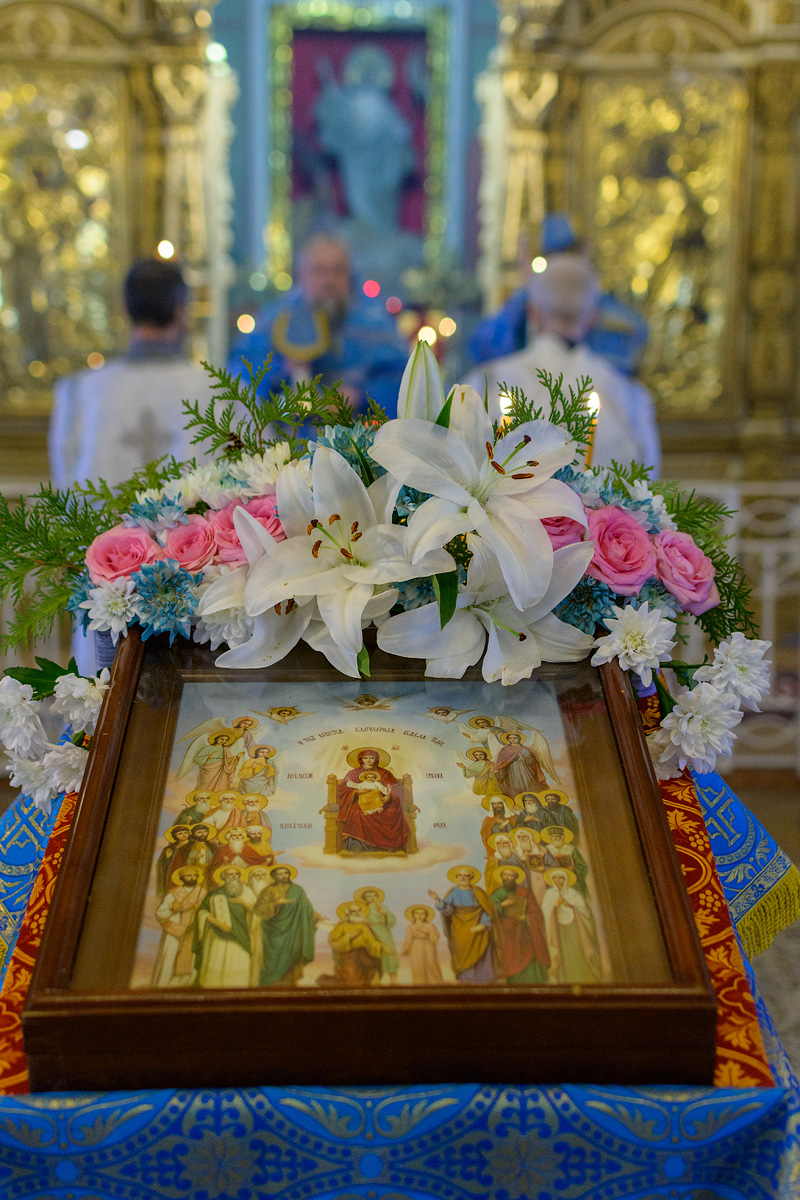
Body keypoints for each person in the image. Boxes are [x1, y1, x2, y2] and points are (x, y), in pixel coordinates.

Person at [465, 254, 660, 474]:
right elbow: (645, 483)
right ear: (593, 317)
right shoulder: (629, 397)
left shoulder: (486, 383)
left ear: (533, 313)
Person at [49, 258, 212, 491]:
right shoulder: (219, 392)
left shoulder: (79, 392)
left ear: (124, 305)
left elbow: (66, 489)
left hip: (100, 529)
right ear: (181, 308)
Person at [226, 234, 408, 417]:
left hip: (360, 433)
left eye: (338, 270)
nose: (328, 281)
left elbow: (402, 381)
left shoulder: (375, 324)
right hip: (288, 436)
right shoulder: (274, 321)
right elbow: (241, 380)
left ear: (349, 274)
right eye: (318, 271)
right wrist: (282, 370)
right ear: (301, 274)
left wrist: (362, 395)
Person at [469, 214, 650, 378]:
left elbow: (633, 344)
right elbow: (483, 347)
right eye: (550, 259)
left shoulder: (606, 308)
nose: (561, 267)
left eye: (568, 255)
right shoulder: (522, 307)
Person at [429, 865, 497, 985]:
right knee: (461, 952)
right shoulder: (453, 892)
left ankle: (482, 979)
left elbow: (486, 910)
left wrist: (484, 924)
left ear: (471, 877)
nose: (463, 878)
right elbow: (448, 910)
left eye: (466, 875)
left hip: (477, 925)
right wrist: (438, 900)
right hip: (459, 928)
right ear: (456, 877)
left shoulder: (478, 892)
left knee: (481, 949)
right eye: (460, 875)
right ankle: (466, 978)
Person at [252, 865, 319, 987]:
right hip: (273, 932)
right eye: (280, 873)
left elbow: (306, 908)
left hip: (293, 930)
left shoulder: (298, 890)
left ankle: (289, 983)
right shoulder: (268, 891)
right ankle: (271, 983)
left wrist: (316, 916)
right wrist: (275, 903)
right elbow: (258, 909)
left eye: (286, 873)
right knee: (273, 959)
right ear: (274, 876)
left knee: (293, 955)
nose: (284, 876)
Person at [336, 749, 410, 854]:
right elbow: (344, 788)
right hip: (362, 800)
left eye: (372, 758)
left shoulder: (385, 773)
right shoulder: (353, 773)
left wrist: (389, 796)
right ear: (361, 760)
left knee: (392, 811)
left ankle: (389, 845)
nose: (368, 760)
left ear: (376, 759)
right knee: (355, 812)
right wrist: (357, 792)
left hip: (382, 801)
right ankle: (358, 845)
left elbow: (394, 788)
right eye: (365, 758)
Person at [194, 866, 255, 988]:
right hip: (217, 935)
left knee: (238, 962)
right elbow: (202, 911)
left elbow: (258, 912)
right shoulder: (215, 893)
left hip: (241, 935)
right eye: (230, 875)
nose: (233, 877)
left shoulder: (247, 892)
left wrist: (244, 903)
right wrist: (217, 923)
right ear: (223, 878)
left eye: (236, 874)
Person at [490, 865, 550, 985]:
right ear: (501, 877)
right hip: (505, 933)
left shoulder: (525, 893)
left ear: (516, 878)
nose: (507, 878)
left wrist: (526, 918)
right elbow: (489, 911)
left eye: (510, 875)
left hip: (523, 931)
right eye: (505, 875)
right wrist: (501, 905)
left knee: (529, 954)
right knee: (509, 960)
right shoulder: (497, 894)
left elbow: (535, 911)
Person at [541, 868, 602, 984]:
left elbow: (584, 909)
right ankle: (564, 979)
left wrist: (569, 905)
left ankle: (583, 977)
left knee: (577, 951)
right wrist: (555, 906)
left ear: (566, 879)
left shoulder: (573, 893)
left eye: (561, 878)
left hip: (574, 927)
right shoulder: (549, 894)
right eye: (555, 878)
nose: (558, 881)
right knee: (562, 955)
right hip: (559, 929)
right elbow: (545, 911)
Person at [152, 865, 205, 987]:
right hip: (175, 931)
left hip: (194, 931)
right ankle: (164, 987)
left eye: (194, 875)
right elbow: (160, 914)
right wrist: (172, 908)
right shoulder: (173, 894)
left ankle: (188, 985)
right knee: (170, 958)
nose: (192, 878)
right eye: (188, 875)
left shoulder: (202, 893)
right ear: (182, 878)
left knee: (192, 960)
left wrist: (200, 909)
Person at [320, 901, 385, 987]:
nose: (356, 913)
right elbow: (333, 941)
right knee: (350, 980)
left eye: (359, 911)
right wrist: (350, 937)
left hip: (364, 958)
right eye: (353, 912)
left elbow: (372, 942)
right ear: (348, 913)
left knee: (368, 977)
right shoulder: (341, 926)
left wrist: (382, 947)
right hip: (346, 959)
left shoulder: (364, 927)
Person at [354, 886, 398, 984]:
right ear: (364, 898)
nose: (372, 898)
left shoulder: (382, 907)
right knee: (374, 955)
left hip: (384, 933)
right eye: (369, 896)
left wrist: (385, 915)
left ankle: (393, 981)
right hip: (370, 932)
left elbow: (392, 921)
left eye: (374, 896)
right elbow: (359, 920)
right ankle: (376, 980)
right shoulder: (363, 908)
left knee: (389, 954)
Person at [493, 733, 548, 799]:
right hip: (512, 770)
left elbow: (533, 761)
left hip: (525, 769)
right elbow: (502, 761)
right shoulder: (505, 749)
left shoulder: (525, 749)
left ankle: (531, 797)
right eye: (510, 738)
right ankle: (516, 798)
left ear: (519, 739)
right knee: (514, 784)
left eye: (515, 738)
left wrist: (523, 758)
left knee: (528, 783)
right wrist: (510, 761)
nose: (512, 740)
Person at [400, 905, 443, 985]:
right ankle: (419, 985)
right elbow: (408, 939)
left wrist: (428, 933)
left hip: (428, 946)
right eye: (417, 913)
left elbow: (435, 938)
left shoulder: (430, 925)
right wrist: (405, 949)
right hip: (415, 947)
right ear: (413, 915)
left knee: (430, 963)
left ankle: (434, 984)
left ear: (426, 915)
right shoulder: (410, 926)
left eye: (422, 914)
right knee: (417, 965)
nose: (419, 916)